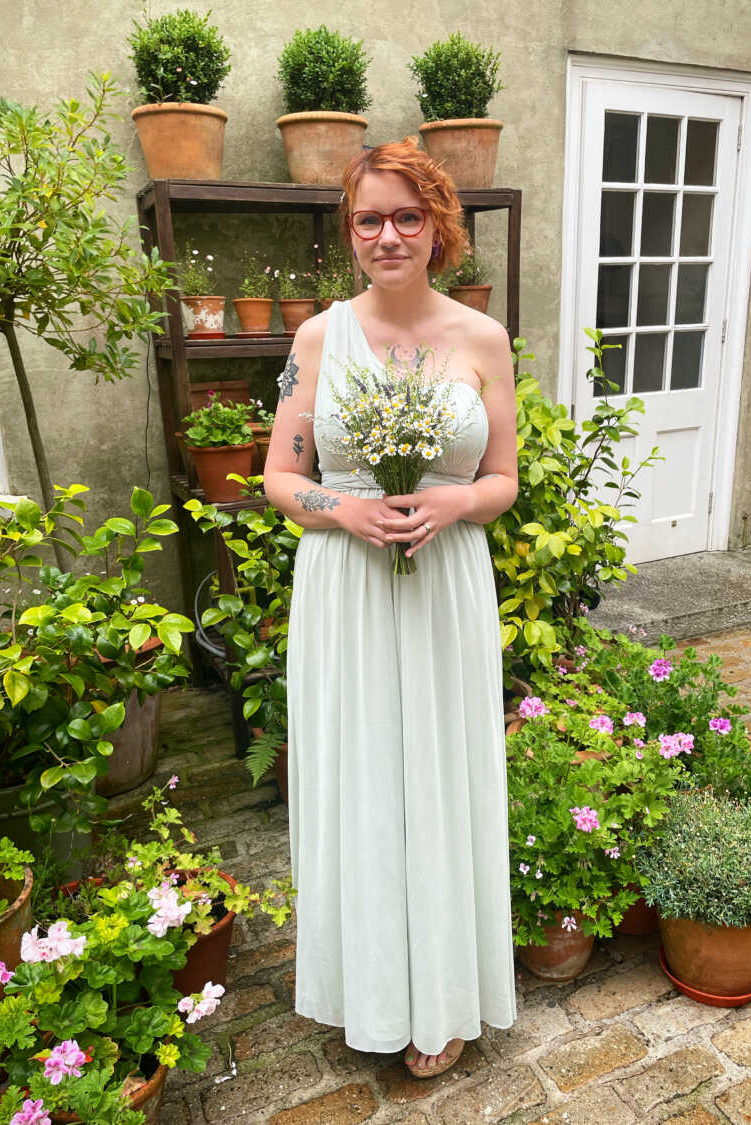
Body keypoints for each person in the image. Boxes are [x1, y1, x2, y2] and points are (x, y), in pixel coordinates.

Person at [262, 137, 518, 1078]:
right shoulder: (316, 340)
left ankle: (444, 992)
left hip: (445, 583)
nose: (388, 235)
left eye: (407, 215)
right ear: (350, 230)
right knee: (363, 782)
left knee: (442, 781)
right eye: (369, 218)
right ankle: (368, 987)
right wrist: (348, 508)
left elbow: (502, 480)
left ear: (437, 223)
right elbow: (280, 478)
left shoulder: (481, 340)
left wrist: (452, 501)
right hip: (348, 591)